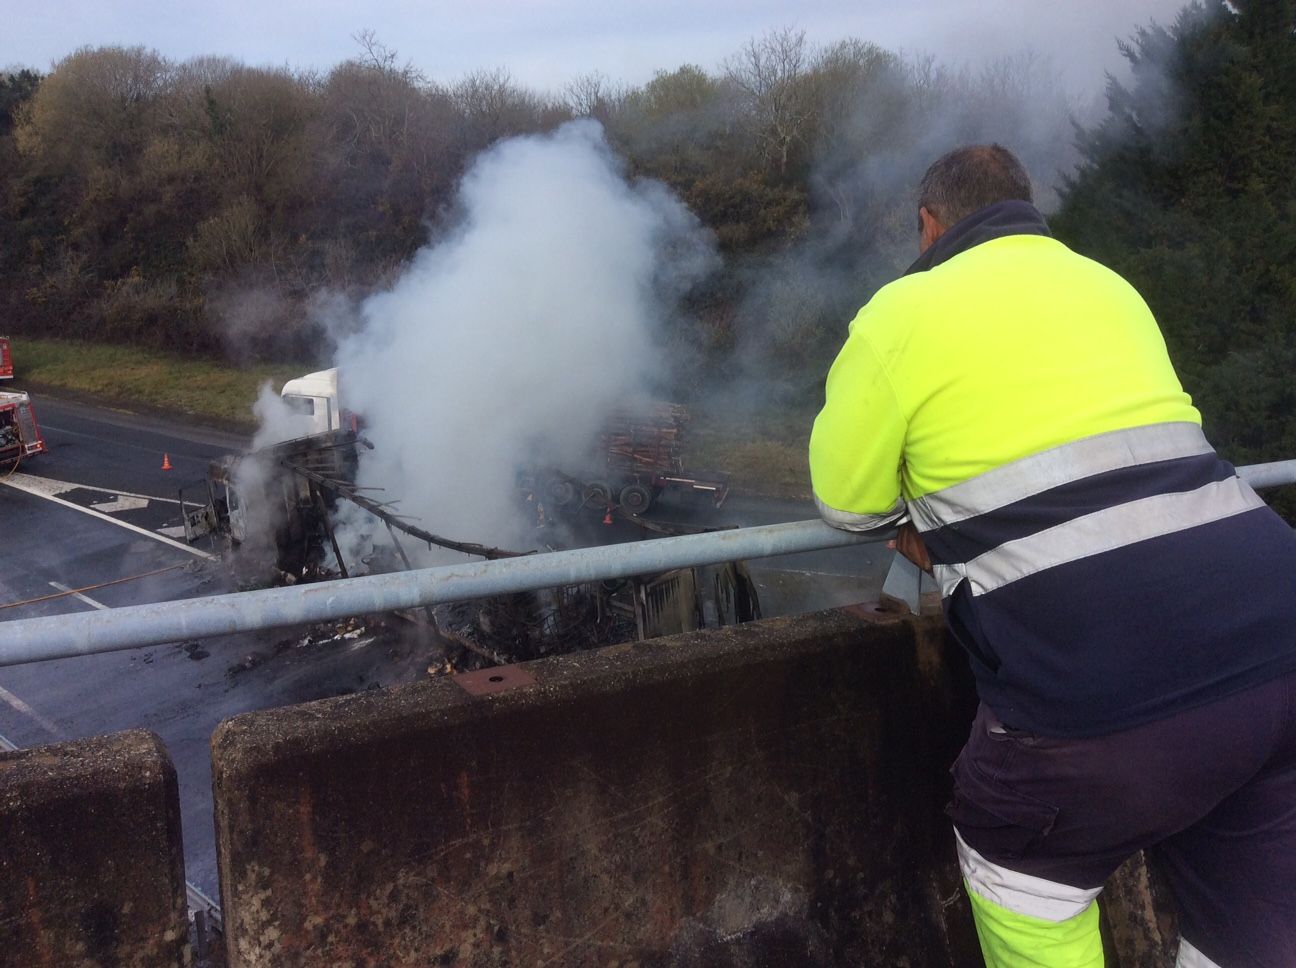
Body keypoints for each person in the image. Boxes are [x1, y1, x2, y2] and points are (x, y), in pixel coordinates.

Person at [809, 144, 1296, 968]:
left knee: (1016, 861)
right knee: (1251, 930)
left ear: (929, 225)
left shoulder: (902, 310)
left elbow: (847, 503)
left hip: (1100, 695)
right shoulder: (1110, 287)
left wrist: (931, 524)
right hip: (1279, 643)